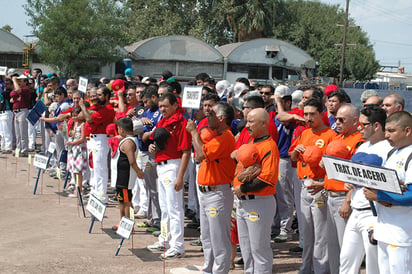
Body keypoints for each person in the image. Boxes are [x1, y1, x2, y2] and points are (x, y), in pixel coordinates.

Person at [340, 106, 391, 274]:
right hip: (356, 208)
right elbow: (354, 176)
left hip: (374, 212)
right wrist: (348, 193)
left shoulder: (388, 149)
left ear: (376, 126)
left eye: (363, 124)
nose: (359, 128)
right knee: (346, 259)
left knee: (373, 263)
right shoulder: (362, 147)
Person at [186, 101, 236, 274]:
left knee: (219, 238)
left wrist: (193, 132)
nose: (208, 115)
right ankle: (209, 268)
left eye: (212, 113)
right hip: (208, 192)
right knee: (207, 236)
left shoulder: (226, 137)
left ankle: (220, 271)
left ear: (221, 118)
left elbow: (200, 155)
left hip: (218, 192)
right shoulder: (216, 135)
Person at [289, 98, 337, 274]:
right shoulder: (304, 133)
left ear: (321, 114)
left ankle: (321, 270)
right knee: (306, 233)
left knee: (321, 234)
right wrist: (296, 151)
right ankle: (305, 268)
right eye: (306, 114)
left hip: (320, 186)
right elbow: (293, 158)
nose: (308, 117)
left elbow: (332, 165)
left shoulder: (330, 135)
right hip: (304, 185)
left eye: (312, 114)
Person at [364, 111, 412, 274]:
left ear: (407, 130)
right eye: (386, 130)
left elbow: (411, 195)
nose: (387, 135)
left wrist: (378, 196)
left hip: (403, 233)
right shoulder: (392, 153)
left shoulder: (411, 155)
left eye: (392, 131)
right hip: (385, 229)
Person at [233, 108, 280, 274]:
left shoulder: (269, 146)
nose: (247, 125)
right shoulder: (252, 144)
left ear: (264, 123)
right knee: (246, 248)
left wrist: (242, 188)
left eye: (251, 121)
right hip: (244, 202)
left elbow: (267, 179)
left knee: (259, 248)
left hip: (259, 202)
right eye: (247, 121)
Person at [146, 93, 192, 259]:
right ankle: (165, 239)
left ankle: (178, 245)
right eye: (160, 106)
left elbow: (186, 151)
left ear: (174, 105)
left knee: (174, 208)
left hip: (173, 166)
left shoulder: (181, 123)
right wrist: (153, 146)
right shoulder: (163, 121)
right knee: (165, 208)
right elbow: (157, 140)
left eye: (165, 106)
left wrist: (181, 177)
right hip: (161, 165)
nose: (162, 109)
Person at [323, 104, 363, 273]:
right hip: (329, 195)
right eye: (336, 119)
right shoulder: (337, 139)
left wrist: (348, 200)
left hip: (343, 198)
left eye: (342, 120)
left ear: (355, 121)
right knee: (331, 245)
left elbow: (357, 176)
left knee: (345, 246)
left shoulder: (359, 142)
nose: (337, 122)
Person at [79, 86, 115, 204]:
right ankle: (95, 193)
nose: (96, 97)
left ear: (106, 96)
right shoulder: (99, 108)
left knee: (100, 169)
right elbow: (80, 116)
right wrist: (87, 109)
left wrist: (84, 107)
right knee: (94, 168)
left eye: (99, 95)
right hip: (93, 139)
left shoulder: (107, 109)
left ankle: (101, 196)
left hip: (101, 139)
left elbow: (88, 119)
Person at [111, 117, 145, 230]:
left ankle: (129, 225)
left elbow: (132, 161)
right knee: (122, 200)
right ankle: (122, 222)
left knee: (126, 201)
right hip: (121, 177)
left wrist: (138, 171)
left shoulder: (129, 143)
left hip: (126, 177)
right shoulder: (127, 140)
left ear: (121, 130)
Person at [66, 107, 87, 198]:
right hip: (72, 148)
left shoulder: (82, 124)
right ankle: (75, 186)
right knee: (73, 168)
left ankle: (79, 188)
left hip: (79, 148)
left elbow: (83, 138)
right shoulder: (73, 124)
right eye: (73, 116)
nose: (74, 117)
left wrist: (73, 142)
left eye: (76, 115)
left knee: (78, 169)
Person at [10, 75, 32, 157]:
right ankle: (19, 149)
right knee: (17, 133)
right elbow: (12, 95)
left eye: (21, 81)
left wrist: (14, 80)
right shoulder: (19, 90)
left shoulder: (26, 89)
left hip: (23, 111)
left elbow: (18, 91)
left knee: (23, 132)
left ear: (25, 82)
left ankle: (24, 150)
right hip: (16, 112)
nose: (18, 82)